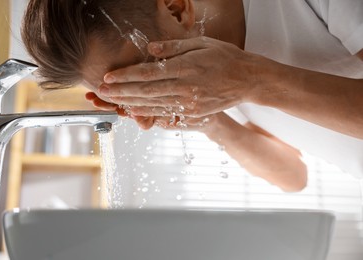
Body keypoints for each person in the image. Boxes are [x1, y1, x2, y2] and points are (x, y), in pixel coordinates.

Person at [21, 0, 363, 192]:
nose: (154, 92)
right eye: (133, 92)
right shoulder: (211, 82)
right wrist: (208, 121)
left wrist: (250, 79)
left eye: (148, 73)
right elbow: (292, 175)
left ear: (175, 8)